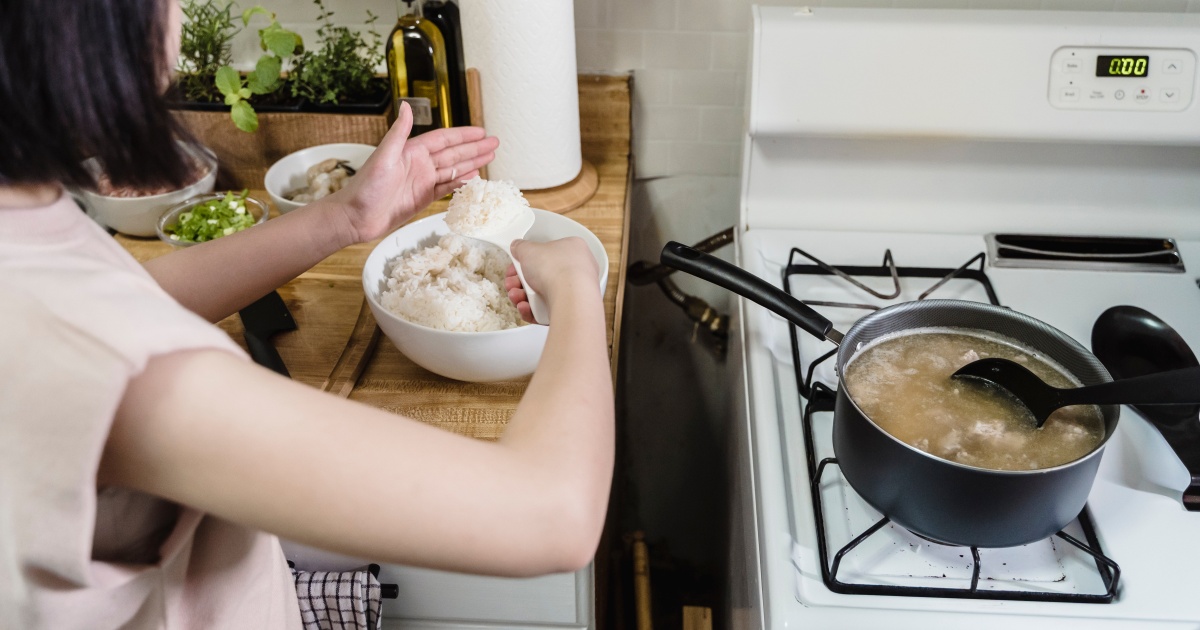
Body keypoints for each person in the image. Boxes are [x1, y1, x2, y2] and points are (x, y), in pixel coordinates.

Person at [0, 1, 614, 627]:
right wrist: (572, 287)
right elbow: (552, 514)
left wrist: (343, 218)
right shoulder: (132, 376)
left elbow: (120, 298)